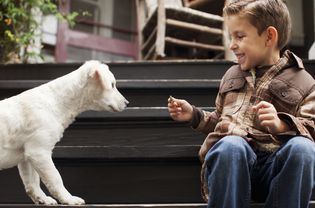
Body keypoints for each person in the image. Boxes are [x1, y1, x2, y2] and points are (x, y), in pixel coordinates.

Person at [167, 0, 315, 207]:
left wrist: (282, 126)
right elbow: (219, 120)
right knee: (230, 144)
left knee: (303, 148)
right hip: (232, 168)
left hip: (276, 170)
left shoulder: (304, 81)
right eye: (231, 36)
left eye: (240, 36)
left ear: (269, 37)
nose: (231, 45)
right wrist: (194, 115)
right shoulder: (231, 76)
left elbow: (312, 128)